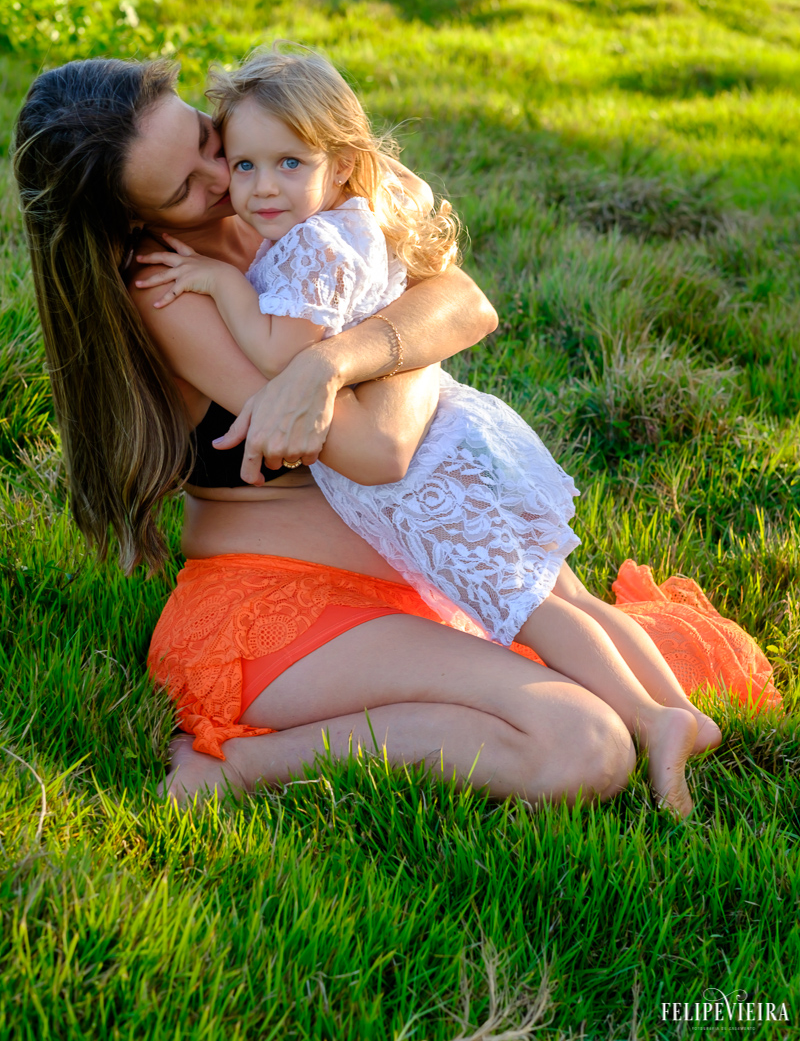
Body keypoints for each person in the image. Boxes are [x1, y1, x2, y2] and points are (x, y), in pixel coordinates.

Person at [12, 56, 704, 820]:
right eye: (183, 190)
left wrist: (335, 360)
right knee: (586, 747)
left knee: (580, 627)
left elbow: (464, 302)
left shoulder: (286, 174)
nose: (225, 181)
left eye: (210, 141)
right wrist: (394, 341)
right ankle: (236, 767)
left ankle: (663, 718)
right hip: (275, 608)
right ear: (134, 221)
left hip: (408, 570)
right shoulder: (167, 285)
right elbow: (379, 449)